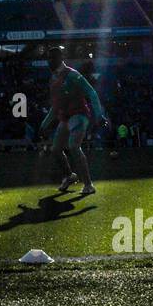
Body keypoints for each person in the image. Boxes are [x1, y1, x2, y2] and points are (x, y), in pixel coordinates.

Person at [38, 46, 107, 197]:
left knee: (74, 146)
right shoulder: (53, 79)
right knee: (56, 150)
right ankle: (69, 176)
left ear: (59, 58)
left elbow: (92, 93)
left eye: (51, 58)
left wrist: (99, 116)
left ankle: (88, 185)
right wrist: (44, 124)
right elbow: (55, 107)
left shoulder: (72, 75)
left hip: (79, 115)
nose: (49, 61)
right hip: (65, 117)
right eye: (47, 59)